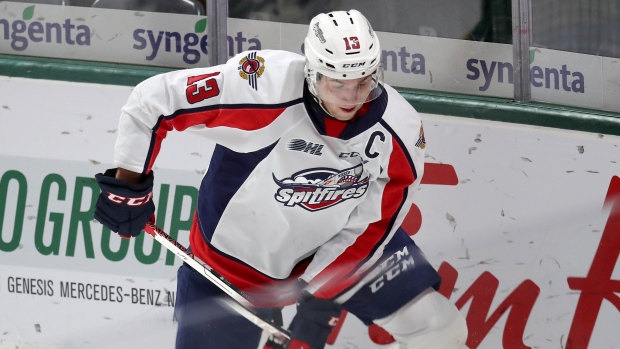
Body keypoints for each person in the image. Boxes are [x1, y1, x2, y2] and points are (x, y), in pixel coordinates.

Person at [93, 9, 468, 349]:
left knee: (439, 330)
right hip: (233, 265)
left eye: (363, 80)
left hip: (349, 250)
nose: (352, 97)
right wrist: (129, 186)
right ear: (313, 70)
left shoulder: (399, 129)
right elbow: (151, 102)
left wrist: (318, 287)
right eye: (338, 83)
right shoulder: (261, 86)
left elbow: (377, 220)